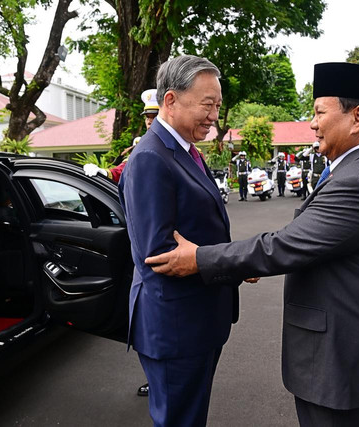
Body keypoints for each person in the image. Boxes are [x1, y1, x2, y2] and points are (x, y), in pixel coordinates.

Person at [145, 62, 359, 426]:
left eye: (320, 112)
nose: (312, 123)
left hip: (350, 363)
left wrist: (200, 259)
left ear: (357, 117)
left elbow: (285, 246)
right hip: (355, 353)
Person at [118, 55, 241, 427]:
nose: (214, 116)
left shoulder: (184, 151)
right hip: (176, 327)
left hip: (197, 320)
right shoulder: (150, 159)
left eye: (217, 106)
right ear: (170, 100)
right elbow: (158, 254)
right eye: (208, 105)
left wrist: (231, 259)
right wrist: (232, 260)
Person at [83, 89, 158, 182]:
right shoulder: (143, 144)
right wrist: (104, 173)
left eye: (154, 116)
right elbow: (126, 169)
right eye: (147, 117)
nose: (149, 121)